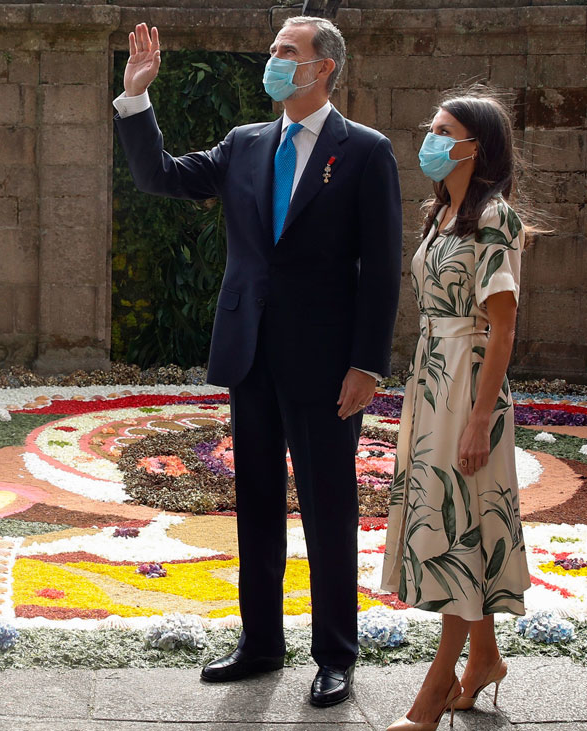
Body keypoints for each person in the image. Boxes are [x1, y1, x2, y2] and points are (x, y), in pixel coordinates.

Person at [114, 17, 402, 708]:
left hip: (329, 364)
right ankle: (260, 643)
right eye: (274, 48)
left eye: (286, 52)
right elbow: (160, 176)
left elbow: (383, 268)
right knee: (257, 505)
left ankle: (335, 653)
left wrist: (367, 363)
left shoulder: (364, 151)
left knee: (329, 508)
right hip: (250, 355)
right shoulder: (243, 144)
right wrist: (136, 100)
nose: (273, 60)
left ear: (323, 67)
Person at [381, 89, 534, 731]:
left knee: (456, 528)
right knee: (456, 518)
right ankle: (485, 663)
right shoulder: (438, 215)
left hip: (469, 388)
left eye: (446, 130)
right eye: (433, 127)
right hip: (431, 381)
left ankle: (435, 692)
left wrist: (478, 418)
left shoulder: (496, 218)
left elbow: (502, 327)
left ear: (477, 146)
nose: (433, 139)